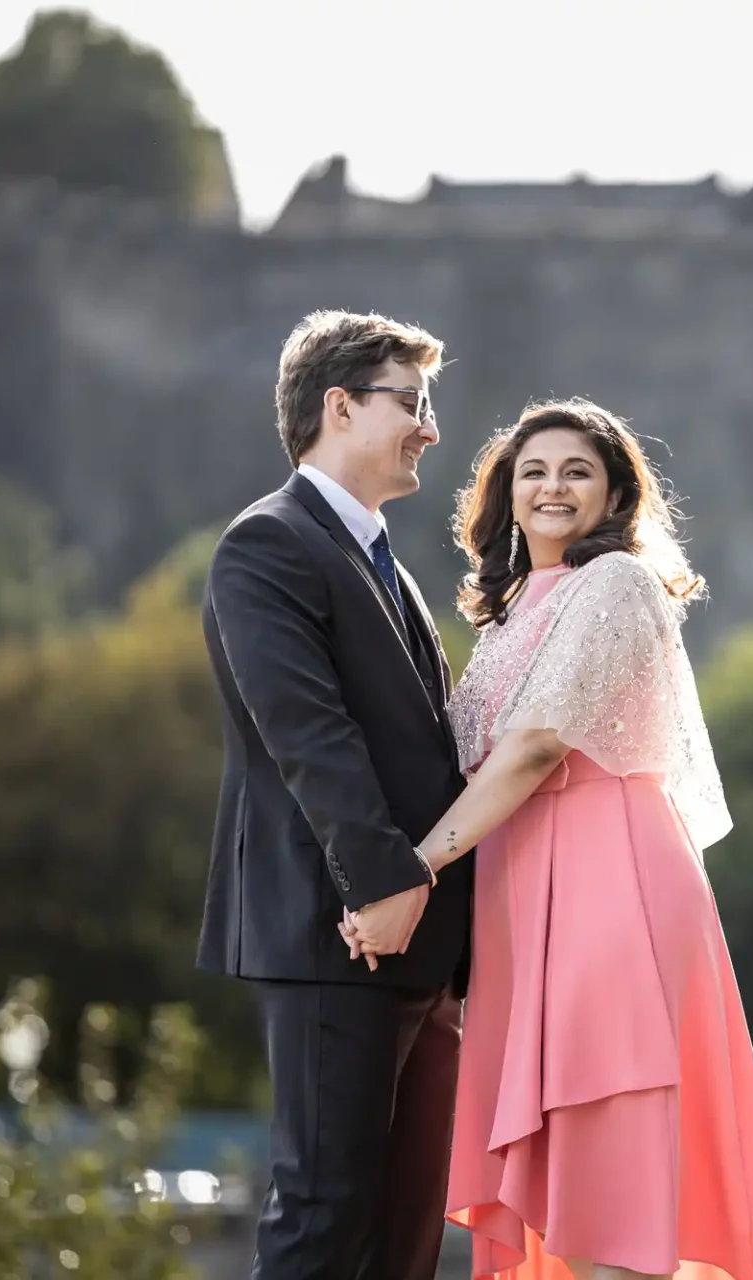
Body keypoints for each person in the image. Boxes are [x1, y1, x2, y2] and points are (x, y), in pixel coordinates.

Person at [342, 399, 753, 1280]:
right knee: (565, 1201)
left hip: (610, 885)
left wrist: (409, 870)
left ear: (613, 494)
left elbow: (534, 748)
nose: (553, 486)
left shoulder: (617, 583)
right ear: (507, 497)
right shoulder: (517, 609)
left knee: (613, 1197)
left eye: (577, 471)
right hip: (527, 900)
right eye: (534, 472)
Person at [196, 310, 471, 1279]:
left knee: (403, 1237)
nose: (430, 426)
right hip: (335, 928)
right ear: (341, 406)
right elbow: (309, 734)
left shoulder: (378, 557)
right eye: (413, 403)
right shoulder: (266, 544)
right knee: (324, 1213)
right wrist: (382, 881)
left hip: (416, 946)